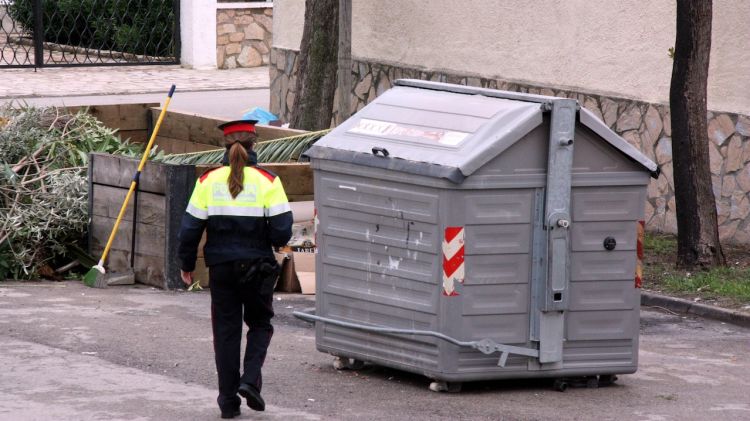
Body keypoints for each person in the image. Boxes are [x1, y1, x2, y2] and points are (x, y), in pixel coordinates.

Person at [177, 119, 293, 419]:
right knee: (260, 323)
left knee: (226, 333)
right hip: (257, 267)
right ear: (254, 145)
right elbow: (282, 233)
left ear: (225, 146)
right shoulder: (269, 181)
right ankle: (250, 381)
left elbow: (190, 229)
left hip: (221, 269)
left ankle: (228, 403)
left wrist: (186, 264)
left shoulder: (207, 181)